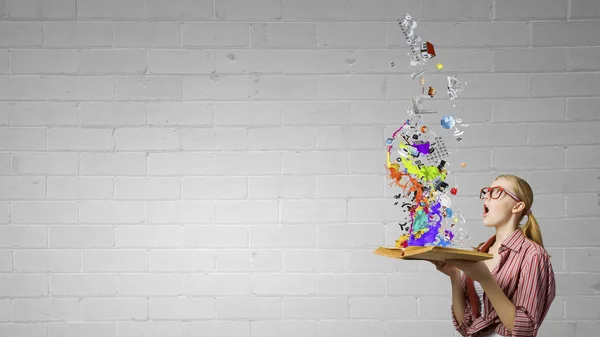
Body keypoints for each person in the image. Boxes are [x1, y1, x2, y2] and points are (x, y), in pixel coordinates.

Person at [431, 174, 556, 337]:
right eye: (487, 192)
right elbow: (465, 325)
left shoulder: (533, 255)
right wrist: (454, 274)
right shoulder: (480, 252)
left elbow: (524, 330)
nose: (487, 197)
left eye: (496, 192)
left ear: (517, 206)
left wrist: (485, 279)